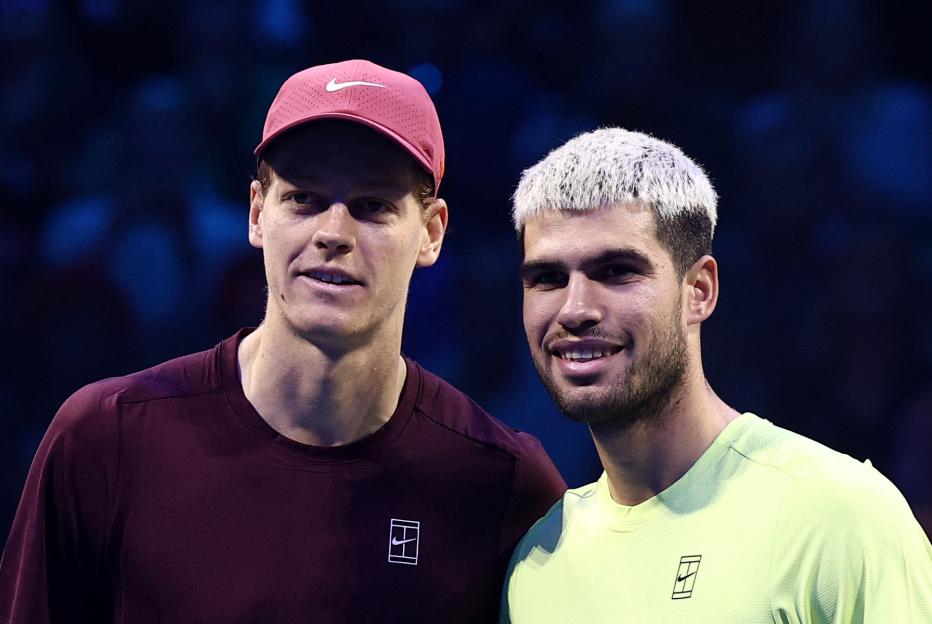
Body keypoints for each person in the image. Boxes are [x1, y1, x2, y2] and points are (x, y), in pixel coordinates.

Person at [0, 59, 566, 624]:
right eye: (303, 198)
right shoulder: (106, 437)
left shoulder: (502, 482)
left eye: (373, 207)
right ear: (255, 214)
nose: (332, 233)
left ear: (431, 232)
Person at [500, 127, 932, 623]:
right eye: (548, 279)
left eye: (617, 271)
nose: (575, 310)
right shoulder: (534, 564)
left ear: (699, 290)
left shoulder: (837, 515)